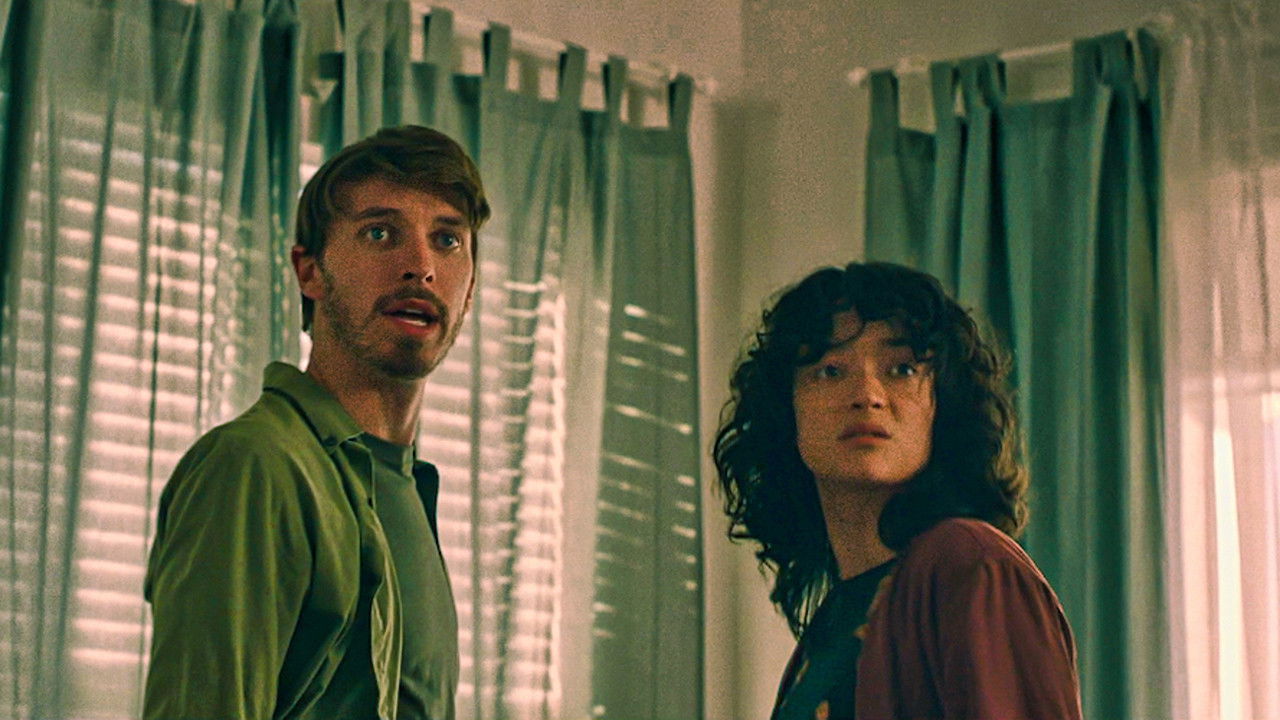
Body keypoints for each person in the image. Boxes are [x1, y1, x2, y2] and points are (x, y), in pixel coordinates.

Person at [143, 125, 489, 720]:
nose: (421, 267)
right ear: (310, 272)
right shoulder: (255, 465)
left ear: (472, 286)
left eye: (447, 240)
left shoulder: (406, 484)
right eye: (380, 233)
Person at [714, 261, 1082, 720]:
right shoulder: (830, 626)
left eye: (902, 369)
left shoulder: (971, 564)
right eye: (830, 370)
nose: (867, 394)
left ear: (942, 405)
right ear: (787, 412)